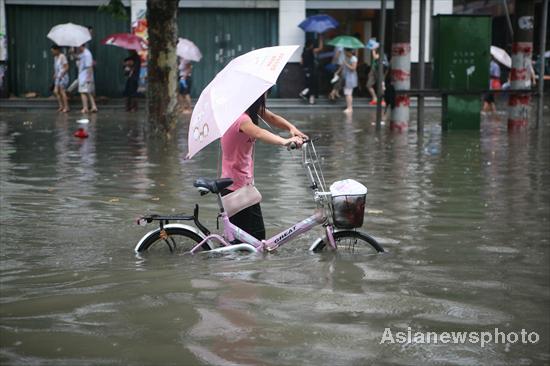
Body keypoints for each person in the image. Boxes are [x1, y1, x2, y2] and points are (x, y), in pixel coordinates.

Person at [221, 93, 307, 240]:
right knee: (257, 238)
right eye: (264, 93)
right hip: (236, 186)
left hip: (242, 183)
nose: (266, 95)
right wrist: (284, 141)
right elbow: (260, 133)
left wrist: (291, 128)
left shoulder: (248, 110)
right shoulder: (241, 119)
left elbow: (272, 118)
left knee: (248, 240)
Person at [299, 35, 323, 105]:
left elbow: (301, 62)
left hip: (306, 71)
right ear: (311, 45)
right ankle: (306, 95)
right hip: (312, 70)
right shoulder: (311, 50)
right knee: (312, 85)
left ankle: (305, 94)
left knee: (309, 84)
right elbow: (320, 48)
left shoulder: (303, 52)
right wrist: (321, 39)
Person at [77, 44, 97, 113]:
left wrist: (88, 77)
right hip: (83, 75)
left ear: (81, 46)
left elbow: (89, 66)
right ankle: (94, 106)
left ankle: (85, 107)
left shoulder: (87, 54)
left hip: (85, 76)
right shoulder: (83, 53)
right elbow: (78, 57)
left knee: (83, 92)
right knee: (88, 92)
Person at [366, 39, 386, 106]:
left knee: (381, 86)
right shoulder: (375, 51)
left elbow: (375, 57)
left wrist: (373, 50)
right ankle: (374, 98)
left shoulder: (381, 53)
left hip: (379, 71)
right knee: (368, 85)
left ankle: (382, 100)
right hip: (373, 71)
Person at [50, 45, 70, 113]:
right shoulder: (55, 57)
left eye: (53, 51)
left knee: (62, 91)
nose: (52, 53)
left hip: (63, 76)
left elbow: (66, 67)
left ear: (57, 50)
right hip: (58, 76)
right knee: (56, 91)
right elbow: (56, 68)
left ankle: (66, 107)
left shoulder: (62, 56)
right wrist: (55, 74)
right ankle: (61, 106)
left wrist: (61, 74)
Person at [342, 48, 358, 114]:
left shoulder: (353, 58)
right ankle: (349, 107)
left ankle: (350, 108)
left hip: (351, 78)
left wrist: (346, 64)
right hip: (347, 77)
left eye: (345, 51)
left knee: (348, 93)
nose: (345, 53)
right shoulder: (348, 58)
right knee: (347, 93)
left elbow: (353, 68)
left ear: (349, 52)